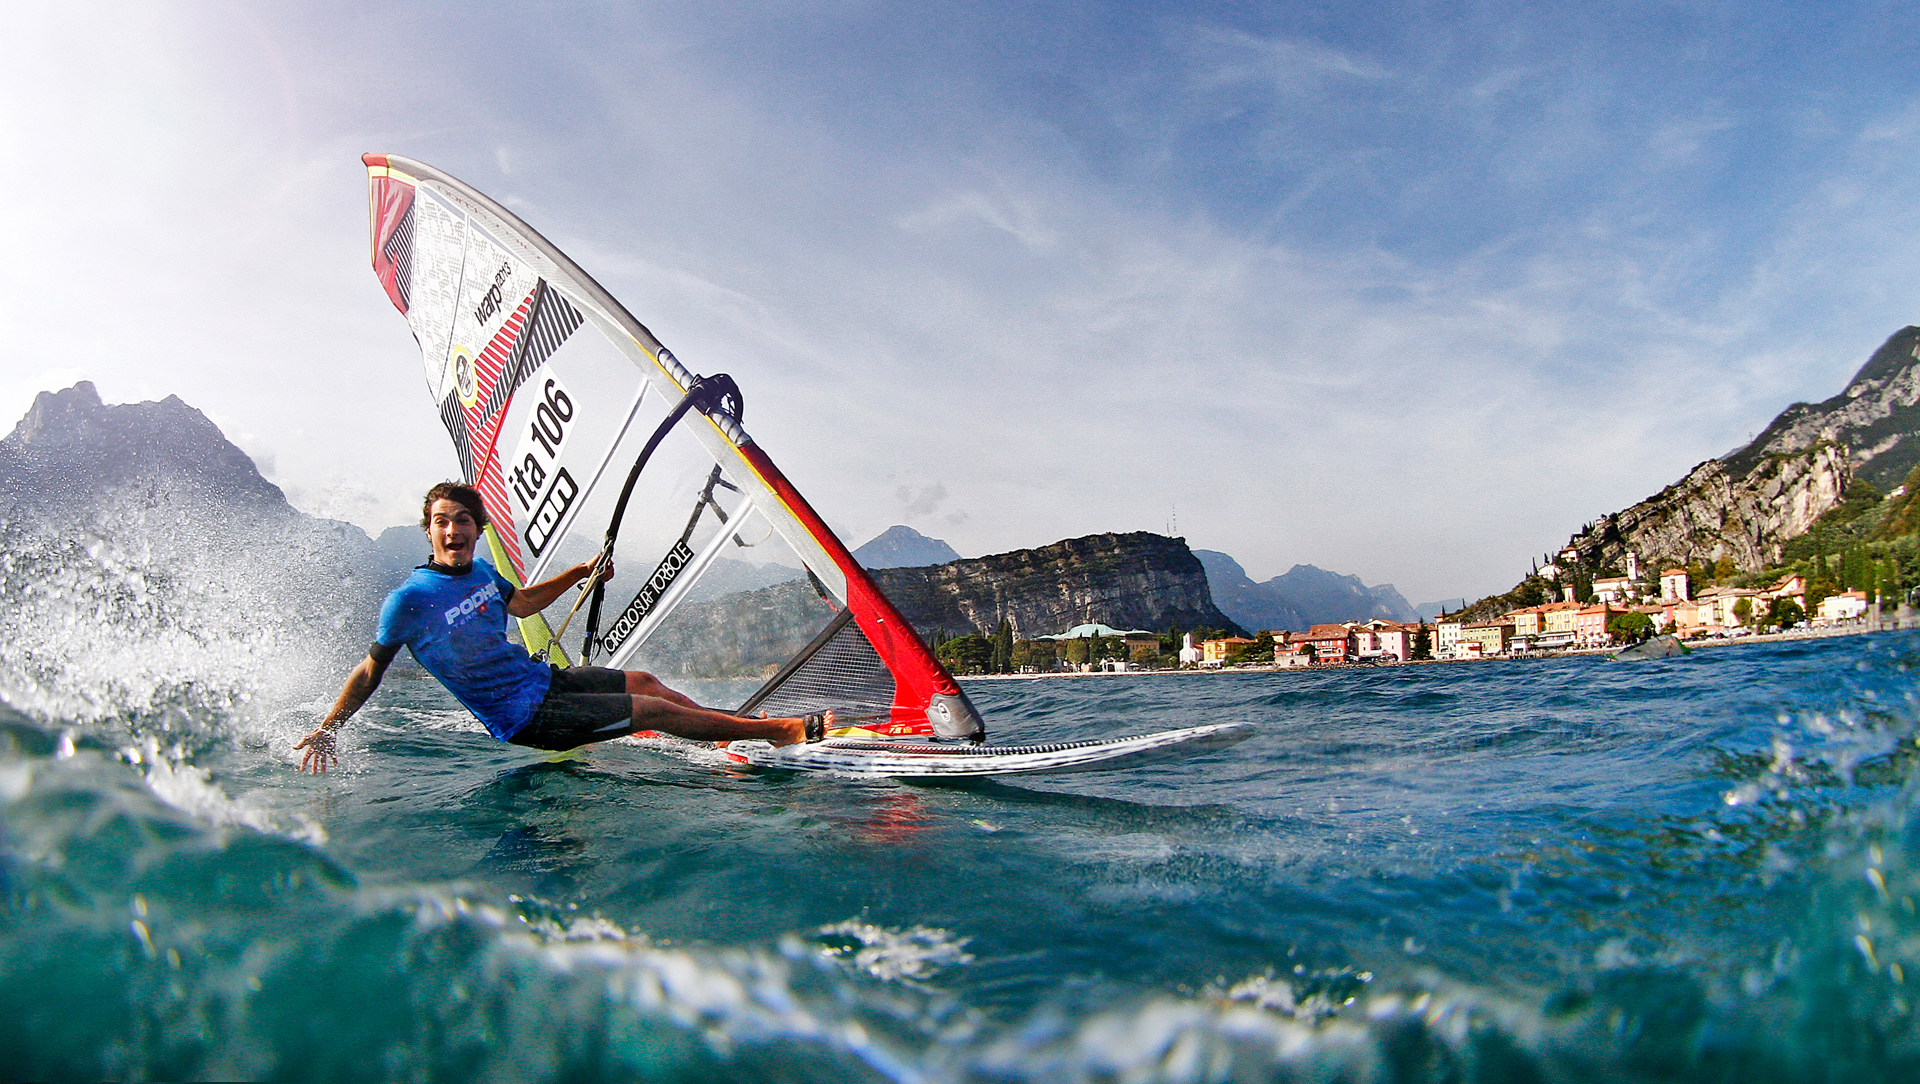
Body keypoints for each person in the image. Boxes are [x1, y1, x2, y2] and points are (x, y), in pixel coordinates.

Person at [295, 482, 824, 773]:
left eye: (461, 520)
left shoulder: (481, 570)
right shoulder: (408, 600)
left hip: (542, 683)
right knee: (650, 712)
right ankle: (776, 732)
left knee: (641, 682)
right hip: (524, 717)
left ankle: (719, 737)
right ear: (428, 529)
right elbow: (370, 671)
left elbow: (522, 605)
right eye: (441, 521)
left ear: (477, 529)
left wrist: (578, 573)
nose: (452, 529)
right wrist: (329, 727)